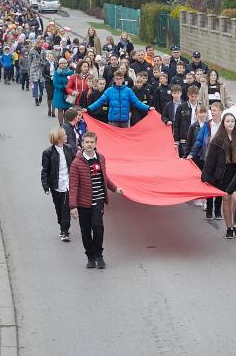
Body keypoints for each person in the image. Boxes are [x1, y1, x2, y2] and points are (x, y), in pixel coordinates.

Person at [68, 132, 124, 269]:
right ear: (82, 144)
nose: (89, 144)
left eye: (91, 142)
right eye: (87, 142)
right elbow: (73, 185)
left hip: (98, 200)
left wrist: (115, 188)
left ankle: (99, 255)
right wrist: (73, 206)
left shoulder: (101, 158)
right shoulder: (76, 163)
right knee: (86, 231)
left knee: (98, 228)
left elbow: (105, 177)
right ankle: (90, 257)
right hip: (83, 203)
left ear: (95, 144)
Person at [202, 113, 236, 239]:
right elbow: (210, 160)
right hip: (223, 175)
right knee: (226, 200)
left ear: (235, 123)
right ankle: (229, 228)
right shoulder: (217, 140)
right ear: (223, 123)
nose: (230, 123)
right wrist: (206, 176)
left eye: (232, 121)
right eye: (227, 121)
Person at [41, 127, 76, 242]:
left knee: (65, 209)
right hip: (56, 185)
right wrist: (45, 186)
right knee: (59, 208)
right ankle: (62, 226)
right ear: (58, 138)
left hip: (68, 184)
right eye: (64, 135)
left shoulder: (69, 148)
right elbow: (45, 170)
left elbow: (75, 164)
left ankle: (65, 231)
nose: (66, 136)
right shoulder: (48, 152)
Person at [86, 70, 154, 128]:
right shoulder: (109, 90)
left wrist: (148, 108)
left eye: (120, 78)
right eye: (117, 78)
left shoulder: (128, 91)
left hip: (124, 121)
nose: (119, 80)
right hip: (113, 121)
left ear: (123, 79)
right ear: (114, 79)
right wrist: (88, 109)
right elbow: (99, 102)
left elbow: (137, 102)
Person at [162, 84, 191, 156]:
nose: (176, 95)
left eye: (178, 93)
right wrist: (167, 121)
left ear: (181, 93)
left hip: (182, 128)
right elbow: (163, 116)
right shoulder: (168, 105)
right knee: (173, 143)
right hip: (172, 127)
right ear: (171, 94)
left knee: (181, 144)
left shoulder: (185, 104)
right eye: (174, 93)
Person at [52, 58, 75, 125]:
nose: (63, 64)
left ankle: (66, 125)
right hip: (59, 93)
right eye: (61, 63)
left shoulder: (70, 72)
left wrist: (68, 89)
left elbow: (73, 82)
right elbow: (55, 83)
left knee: (67, 110)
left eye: (64, 63)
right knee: (60, 109)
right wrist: (63, 87)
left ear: (67, 64)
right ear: (59, 64)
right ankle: (61, 125)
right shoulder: (56, 72)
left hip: (68, 93)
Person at [28, 41, 45, 106]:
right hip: (34, 69)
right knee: (35, 85)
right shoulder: (32, 51)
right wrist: (29, 70)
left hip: (41, 69)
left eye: (42, 43)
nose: (41, 44)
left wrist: (43, 64)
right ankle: (36, 99)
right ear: (36, 44)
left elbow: (44, 60)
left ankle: (40, 95)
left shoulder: (43, 51)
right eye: (39, 43)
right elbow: (29, 61)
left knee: (41, 85)